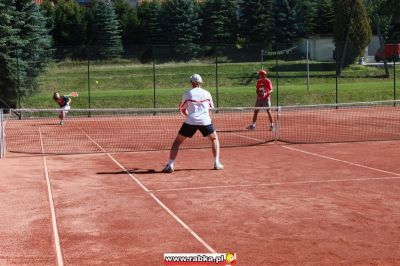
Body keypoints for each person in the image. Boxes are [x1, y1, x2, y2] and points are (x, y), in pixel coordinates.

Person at [162, 74, 224, 173]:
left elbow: (182, 109)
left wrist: (189, 116)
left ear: (192, 83)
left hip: (190, 121)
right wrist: (208, 120)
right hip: (205, 121)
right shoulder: (207, 93)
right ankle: (216, 163)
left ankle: (170, 164)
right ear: (201, 82)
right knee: (214, 139)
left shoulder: (187, 94)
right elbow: (210, 109)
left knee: (177, 142)